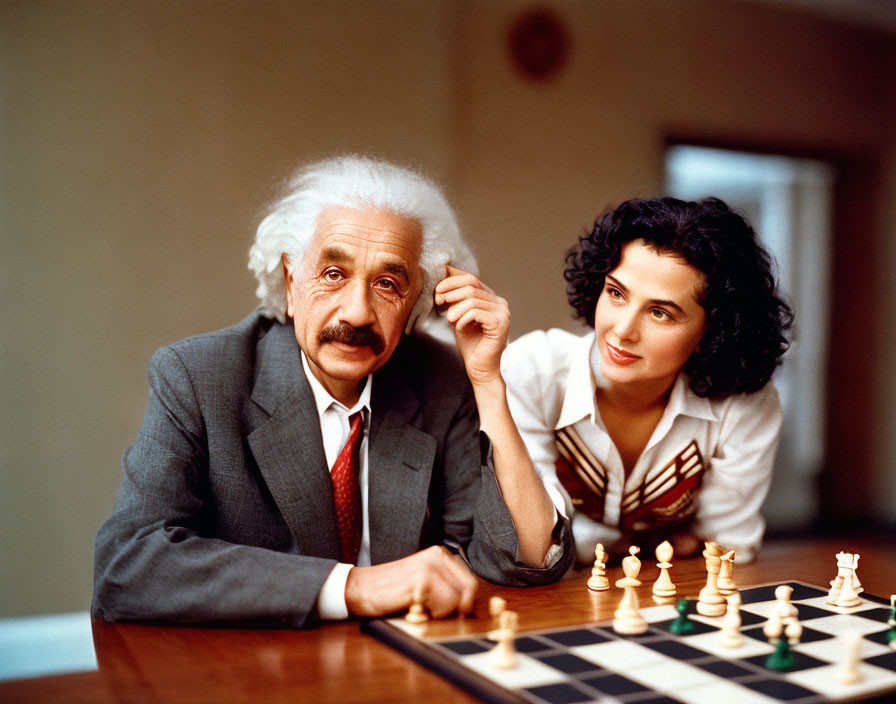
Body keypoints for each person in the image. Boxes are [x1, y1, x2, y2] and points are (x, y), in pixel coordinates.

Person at [92, 155, 571, 627]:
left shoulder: (440, 379)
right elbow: (128, 564)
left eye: (387, 284)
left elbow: (520, 560)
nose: (357, 313)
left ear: (416, 306)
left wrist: (487, 381)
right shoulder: (198, 376)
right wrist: (354, 586)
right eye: (334, 274)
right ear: (290, 280)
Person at [502, 197, 793, 566]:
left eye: (659, 312)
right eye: (616, 293)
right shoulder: (532, 370)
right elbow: (534, 545)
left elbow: (726, 545)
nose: (622, 331)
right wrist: (654, 545)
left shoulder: (743, 405)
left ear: (715, 329)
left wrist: (583, 545)